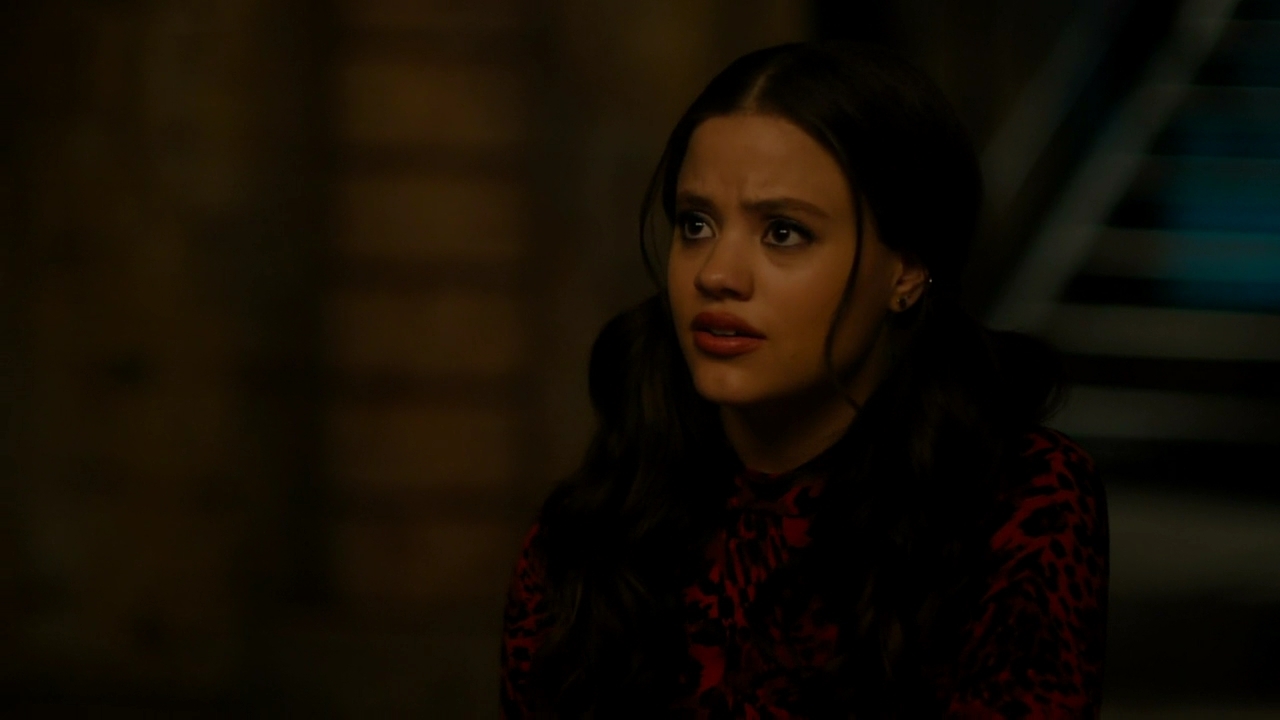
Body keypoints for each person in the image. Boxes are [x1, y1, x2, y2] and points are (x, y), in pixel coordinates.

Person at [500, 41, 1108, 719]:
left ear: (906, 269)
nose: (716, 273)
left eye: (783, 233)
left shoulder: (1015, 500)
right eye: (696, 224)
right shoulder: (600, 521)